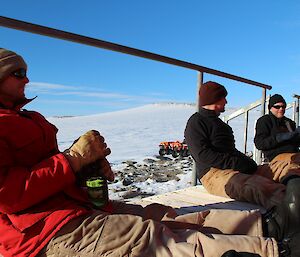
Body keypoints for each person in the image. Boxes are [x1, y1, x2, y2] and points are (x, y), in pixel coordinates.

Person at [0, 48, 296, 257]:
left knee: (162, 214)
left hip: (78, 206)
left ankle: (270, 224)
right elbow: (9, 194)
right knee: (145, 236)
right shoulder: (197, 123)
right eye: (18, 73)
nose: (27, 79)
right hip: (41, 231)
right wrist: (72, 159)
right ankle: (276, 249)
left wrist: (86, 169)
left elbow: (45, 172)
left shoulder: (29, 119)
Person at [184, 81, 300, 243]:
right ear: (214, 99)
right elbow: (203, 155)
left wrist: (247, 163)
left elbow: (232, 152)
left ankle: (296, 189)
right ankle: (290, 214)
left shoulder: (219, 123)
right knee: (255, 185)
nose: (226, 102)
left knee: (283, 167)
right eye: (224, 98)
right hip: (213, 174)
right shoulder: (196, 122)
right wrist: (237, 163)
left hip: (235, 167)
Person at [254, 93, 300, 163]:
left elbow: (295, 143)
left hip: (294, 154)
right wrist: (278, 138)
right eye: (277, 107)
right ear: (270, 108)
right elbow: (260, 143)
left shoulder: (288, 122)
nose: (281, 109)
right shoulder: (265, 121)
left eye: (283, 106)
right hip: (276, 158)